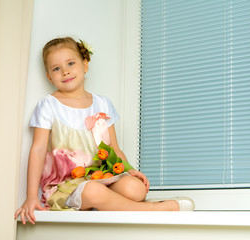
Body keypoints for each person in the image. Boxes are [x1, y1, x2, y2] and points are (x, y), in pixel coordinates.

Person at [15, 37, 194, 224]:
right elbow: (37, 150)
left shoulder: (102, 103)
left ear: (85, 65)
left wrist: (130, 170)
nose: (65, 71)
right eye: (56, 68)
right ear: (49, 77)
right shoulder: (48, 105)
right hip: (66, 185)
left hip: (101, 176)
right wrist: (31, 196)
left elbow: (114, 148)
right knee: (93, 190)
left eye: (70, 63)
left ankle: (111, 203)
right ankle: (154, 209)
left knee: (136, 189)